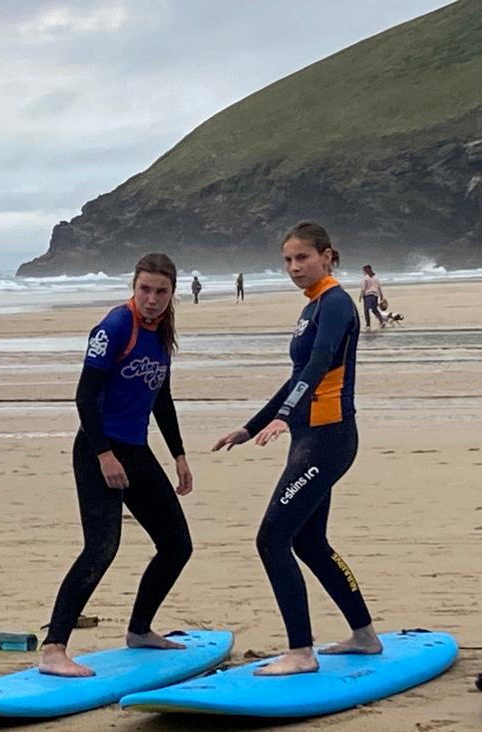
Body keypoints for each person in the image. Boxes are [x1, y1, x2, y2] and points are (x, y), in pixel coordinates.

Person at [213, 222, 378, 676]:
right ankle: (364, 635)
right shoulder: (312, 307)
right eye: (287, 260)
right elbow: (297, 377)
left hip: (328, 438)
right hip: (309, 438)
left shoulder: (337, 302)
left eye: (302, 257)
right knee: (308, 540)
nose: (293, 267)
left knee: (272, 539)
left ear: (327, 256)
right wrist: (251, 426)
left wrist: (286, 416)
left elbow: (320, 363)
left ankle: (301, 651)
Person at [39, 252, 194, 677]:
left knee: (177, 544)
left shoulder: (162, 330)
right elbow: (84, 396)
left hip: (137, 451)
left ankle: (140, 630)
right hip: (98, 451)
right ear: (133, 287)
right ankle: (53, 648)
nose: (152, 299)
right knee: (101, 548)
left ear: (172, 293)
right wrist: (104, 455)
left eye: (161, 291)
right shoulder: (115, 327)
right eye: (145, 289)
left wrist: (179, 454)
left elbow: (161, 397)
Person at [358, 264, 387, 329]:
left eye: (364, 270)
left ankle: (368, 325)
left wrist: (360, 296)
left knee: (366, 310)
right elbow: (379, 287)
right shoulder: (376, 277)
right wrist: (381, 295)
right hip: (375, 295)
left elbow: (363, 288)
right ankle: (382, 321)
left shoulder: (365, 278)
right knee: (374, 309)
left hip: (367, 295)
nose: (363, 272)